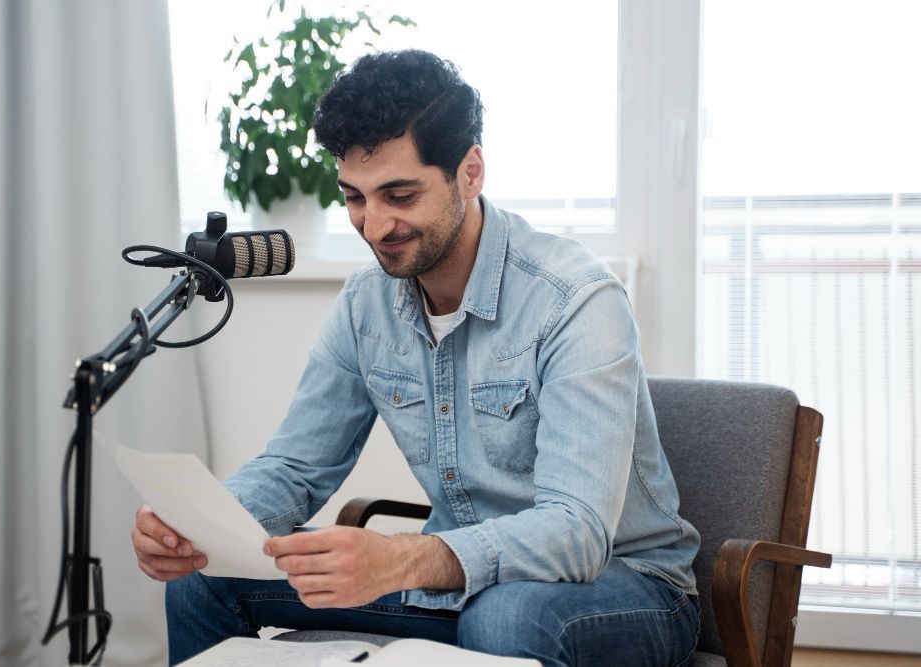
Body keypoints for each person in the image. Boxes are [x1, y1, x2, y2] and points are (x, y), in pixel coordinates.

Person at [132, 49, 701, 666]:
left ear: (470, 171)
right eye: (354, 198)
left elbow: (576, 533)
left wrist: (401, 558)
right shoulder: (364, 306)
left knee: (505, 616)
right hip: (454, 585)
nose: (374, 226)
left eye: (399, 194)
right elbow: (295, 467)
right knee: (201, 577)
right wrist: (204, 526)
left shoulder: (576, 301)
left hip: (622, 587)